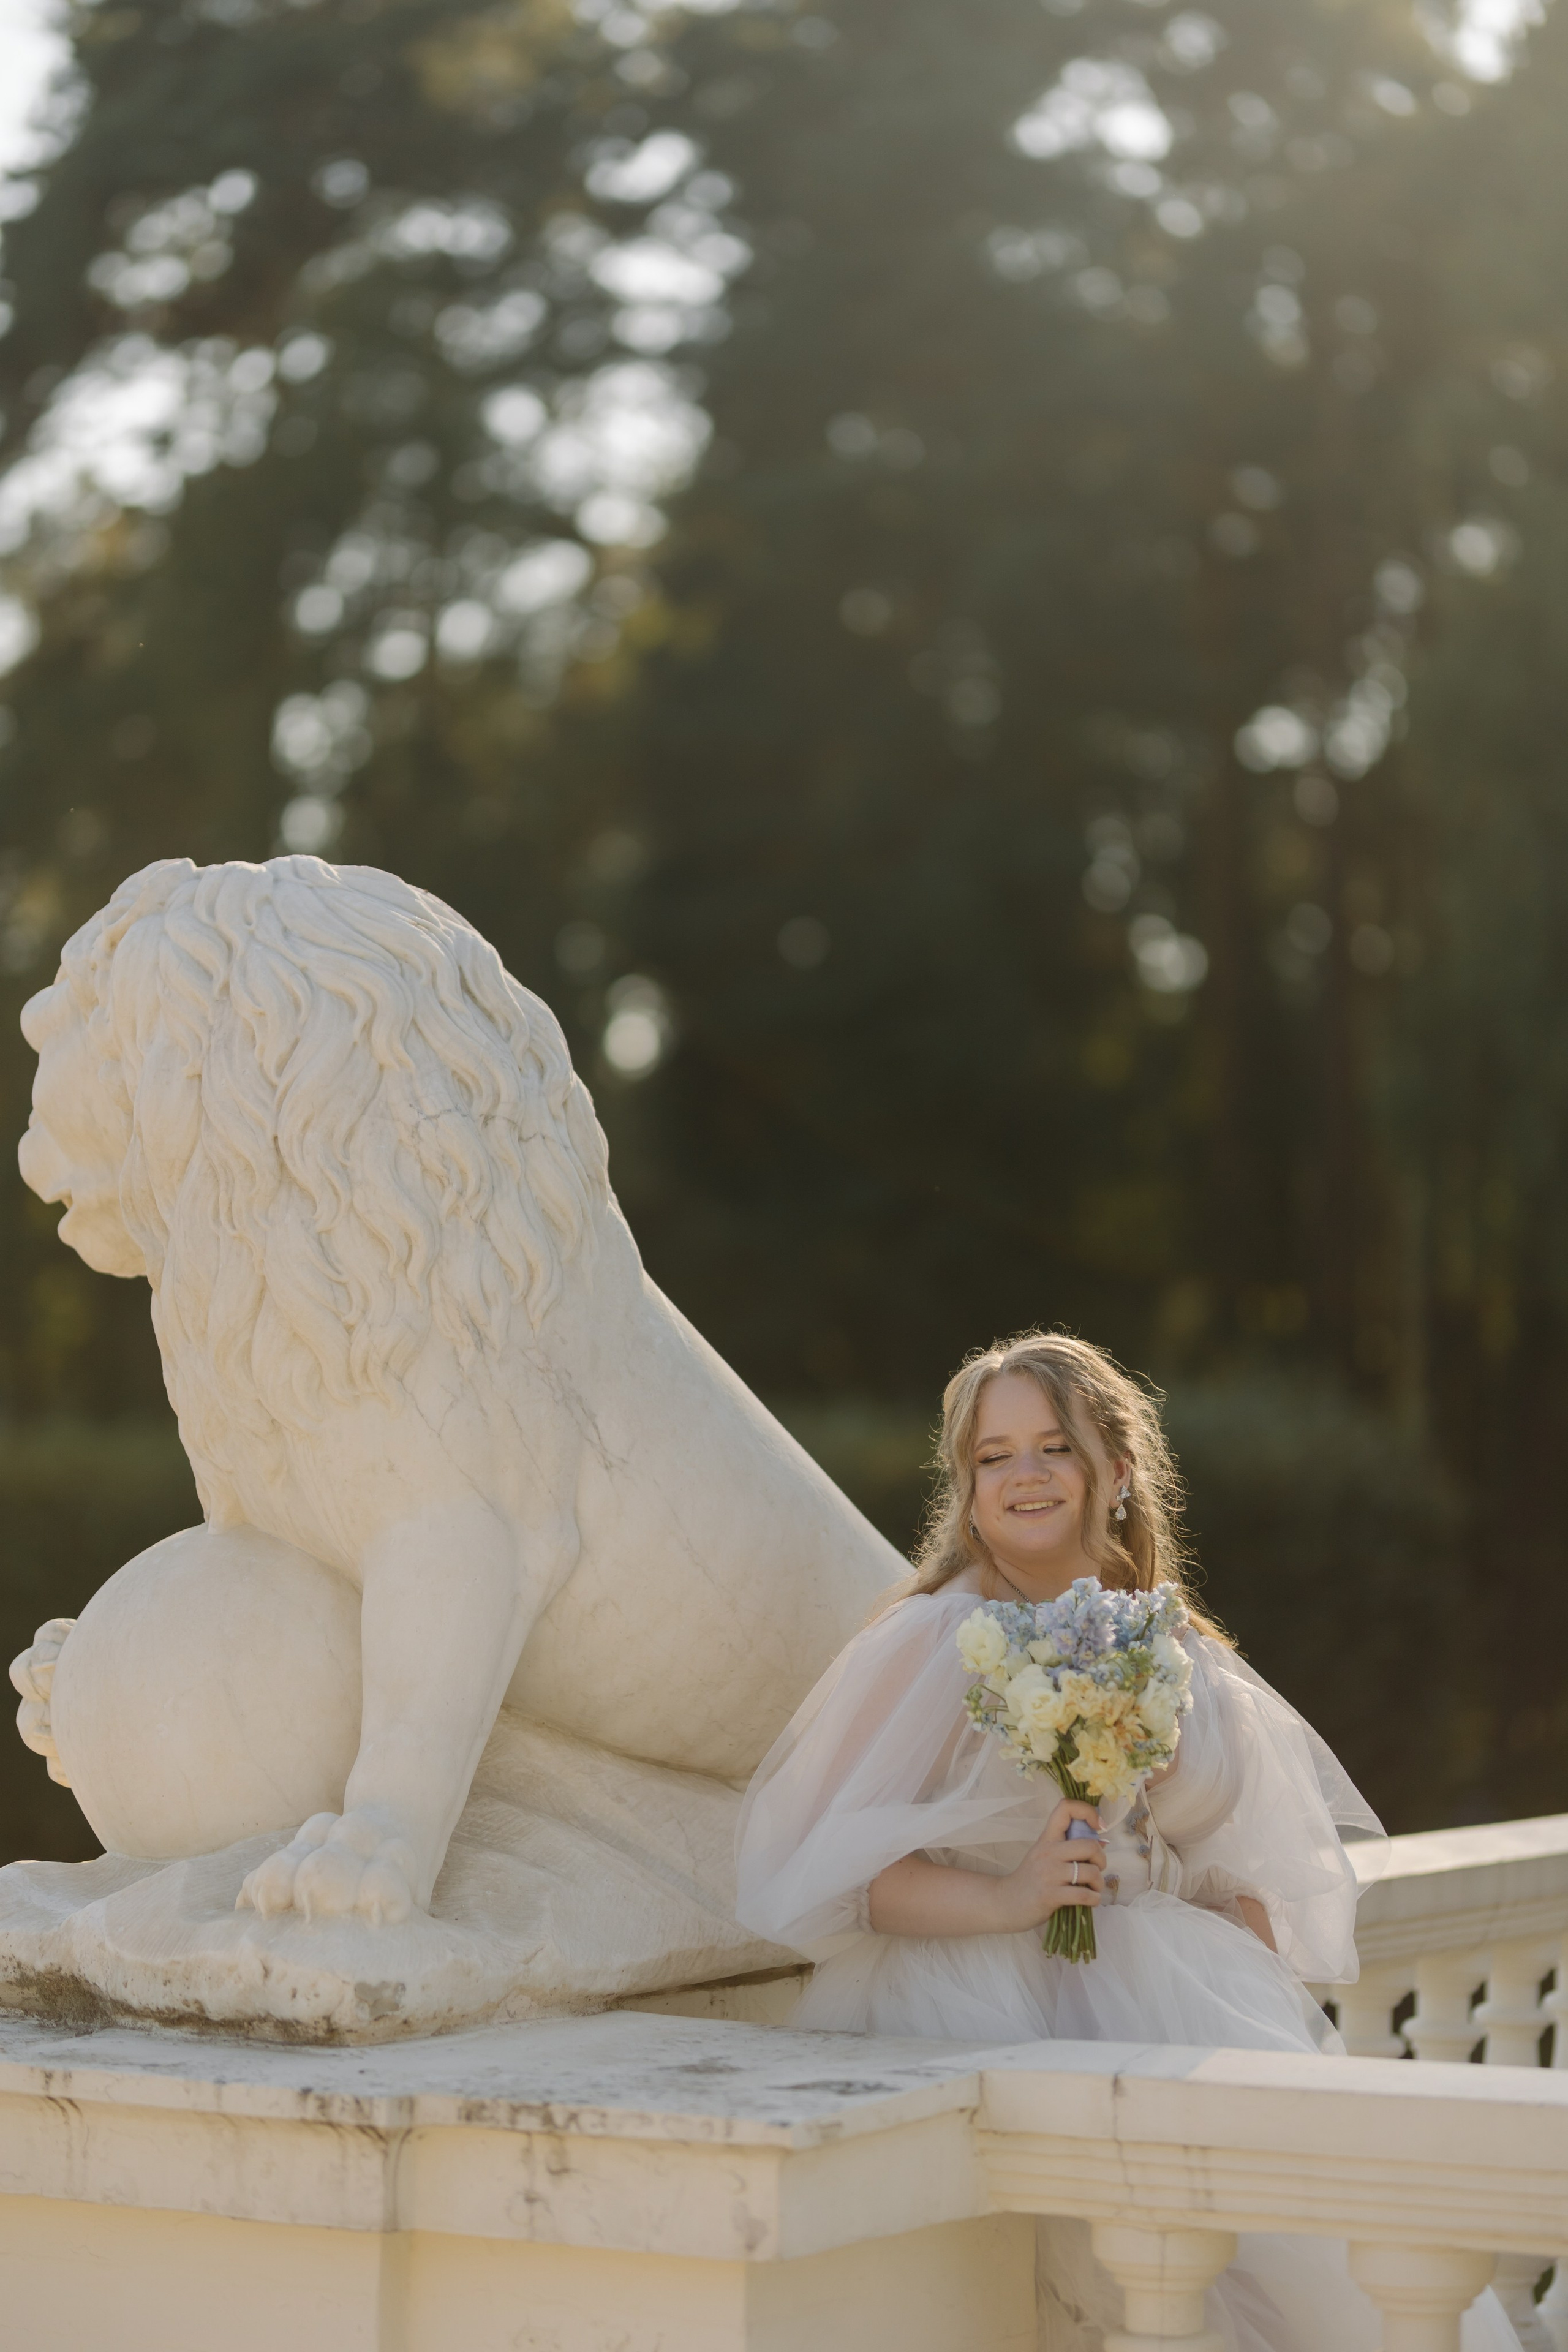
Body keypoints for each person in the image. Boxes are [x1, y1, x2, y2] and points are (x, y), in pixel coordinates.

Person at [734, 1331, 1521, 2352]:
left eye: (1053, 1447)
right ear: (966, 1486)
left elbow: (1244, 1860)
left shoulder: (1174, 1642)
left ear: (1119, 1469)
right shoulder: (928, 1639)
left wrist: (1213, 1942)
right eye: (993, 1455)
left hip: (1161, 1993)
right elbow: (832, 1879)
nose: (1024, 1475)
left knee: (1281, 2270)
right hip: (974, 1999)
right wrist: (1011, 1897)